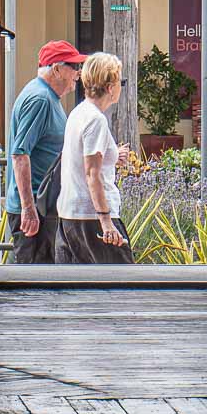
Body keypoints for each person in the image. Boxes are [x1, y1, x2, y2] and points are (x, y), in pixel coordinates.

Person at [5, 40, 84, 263]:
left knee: (45, 275)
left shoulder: (48, 97)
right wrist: (28, 208)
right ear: (57, 69)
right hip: (36, 211)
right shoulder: (40, 99)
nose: (78, 74)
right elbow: (20, 154)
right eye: (74, 67)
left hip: (44, 207)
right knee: (35, 278)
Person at [55, 52, 135, 264]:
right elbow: (92, 173)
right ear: (110, 88)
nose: (120, 88)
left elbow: (83, 159)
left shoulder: (78, 113)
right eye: (120, 82)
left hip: (70, 213)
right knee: (124, 278)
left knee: (77, 281)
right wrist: (106, 221)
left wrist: (113, 155)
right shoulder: (96, 120)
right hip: (92, 216)